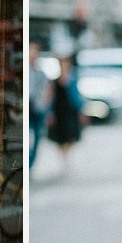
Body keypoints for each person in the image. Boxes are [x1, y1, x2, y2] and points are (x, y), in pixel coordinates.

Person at [45, 53, 84, 172]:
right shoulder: (54, 81)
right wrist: (49, 112)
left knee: (72, 136)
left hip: (70, 111)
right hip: (59, 112)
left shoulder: (72, 80)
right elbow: (50, 97)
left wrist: (81, 110)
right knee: (61, 137)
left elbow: (77, 96)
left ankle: (67, 158)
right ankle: (64, 160)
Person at [28, 38, 52, 169]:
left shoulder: (40, 72)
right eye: (31, 49)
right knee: (29, 138)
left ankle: (30, 166)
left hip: (38, 109)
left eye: (36, 50)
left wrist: (46, 107)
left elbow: (47, 90)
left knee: (37, 138)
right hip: (27, 108)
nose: (33, 53)